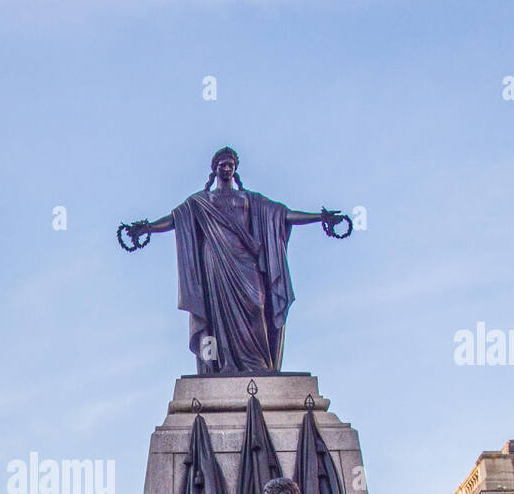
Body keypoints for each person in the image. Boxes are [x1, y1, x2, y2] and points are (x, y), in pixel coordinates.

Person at [122, 147, 348, 374]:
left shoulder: (249, 199)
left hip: (245, 259)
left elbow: (282, 215)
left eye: (231, 165)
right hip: (216, 262)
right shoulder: (201, 201)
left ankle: (259, 363)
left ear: (235, 169)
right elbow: (175, 220)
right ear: (215, 169)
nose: (227, 168)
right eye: (223, 165)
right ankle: (222, 364)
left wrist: (320, 217)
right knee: (216, 315)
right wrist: (148, 228)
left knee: (257, 305)